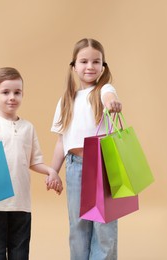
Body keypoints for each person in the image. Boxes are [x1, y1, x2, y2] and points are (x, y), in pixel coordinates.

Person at [0, 67, 63, 260]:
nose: (12, 97)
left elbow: (34, 161)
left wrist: (51, 171)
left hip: (21, 203)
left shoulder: (28, 128)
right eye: (5, 92)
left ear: (23, 94)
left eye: (17, 92)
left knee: (20, 252)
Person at [50, 38, 122, 260]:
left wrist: (112, 102)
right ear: (74, 66)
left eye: (96, 61)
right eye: (84, 61)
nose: (90, 66)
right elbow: (62, 141)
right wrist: (53, 171)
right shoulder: (66, 101)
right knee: (78, 225)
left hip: (102, 164)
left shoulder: (103, 90)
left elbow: (110, 96)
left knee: (104, 227)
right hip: (75, 168)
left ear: (103, 66)